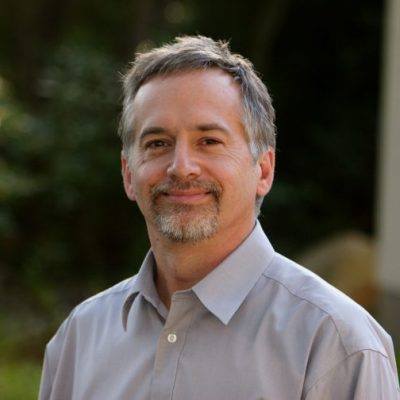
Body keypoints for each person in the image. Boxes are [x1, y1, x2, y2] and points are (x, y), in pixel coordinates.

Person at [39, 36, 400, 400]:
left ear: (263, 170)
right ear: (128, 174)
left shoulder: (336, 344)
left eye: (209, 141)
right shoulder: (78, 340)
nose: (181, 167)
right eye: (157, 143)